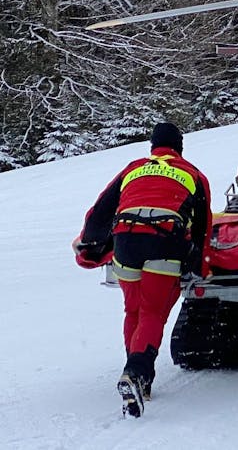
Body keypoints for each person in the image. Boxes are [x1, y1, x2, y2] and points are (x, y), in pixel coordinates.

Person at [74, 122, 211, 418]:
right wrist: (197, 265)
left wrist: (89, 243)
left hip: (126, 241)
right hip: (165, 241)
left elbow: (101, 209)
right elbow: (202, 226)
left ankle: (137, 377)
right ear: (179, 147)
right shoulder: (192, 173)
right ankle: (136, 372)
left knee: (133, 310)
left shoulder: (133, 168)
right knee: (152, 312)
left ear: (152, 146)